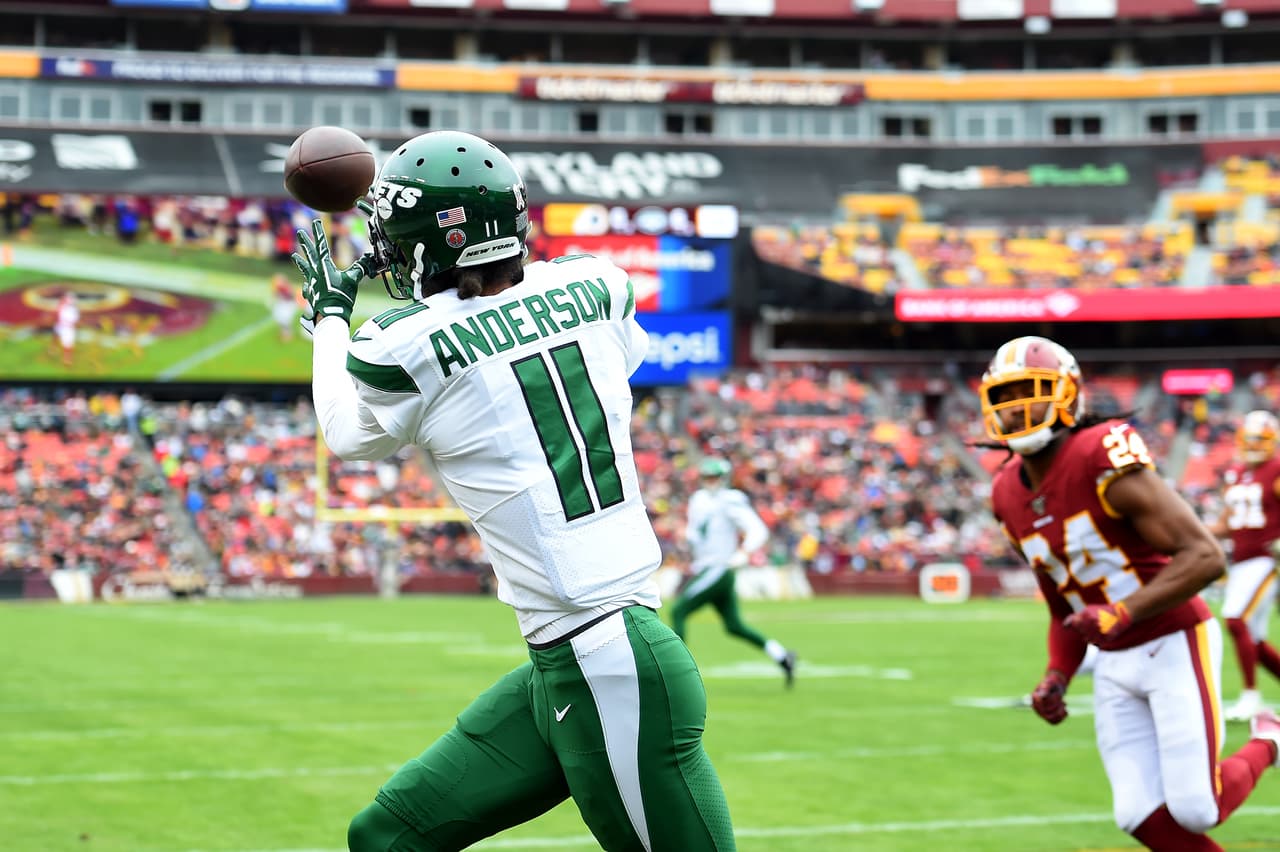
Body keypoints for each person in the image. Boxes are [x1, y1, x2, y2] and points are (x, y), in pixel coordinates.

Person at [292, 129, 736, 852]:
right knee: (385, 838)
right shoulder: (597, 284)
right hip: (567, 658)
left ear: (434, 242)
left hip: (609, 661)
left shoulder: (402, 340)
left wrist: (329, 321)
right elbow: (606, 359)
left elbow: (347, 434)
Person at [979, 335, 1280, 852]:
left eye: (1033, 391)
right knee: (1138, 813)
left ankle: (1270, 736)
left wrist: (1124, 611)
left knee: (1195, 808)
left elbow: (1205, 555)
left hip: (1172, 637)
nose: (1020, 408)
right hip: (1115, 655)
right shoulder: (1006, 492)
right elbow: (1062, 608)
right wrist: (1057, 674)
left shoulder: (1100, 453)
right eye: (1008, 397)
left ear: (1068, 395)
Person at [671, 457, 797, 687]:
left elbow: (757, 530)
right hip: (707, 567)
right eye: (707, 477)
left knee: (679, 611)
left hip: (718, 569)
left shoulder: (730, 500)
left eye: (715, 477)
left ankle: (678, 676)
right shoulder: (698, 500)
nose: (711, 481)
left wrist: (744, 552)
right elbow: (696, 534)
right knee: (734, 626)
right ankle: (782, 655)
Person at [1209, 409, 1280, 722]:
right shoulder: (1236, 473)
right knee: (1254, 639)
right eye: (1248, 439)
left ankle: (1251, 696)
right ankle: (1251, 695)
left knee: (1235, 619)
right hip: (1240, 562)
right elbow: (1227, 523)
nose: (1253, 445)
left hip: (1266, 559)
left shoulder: (1276, 469)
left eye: (1259, 439)